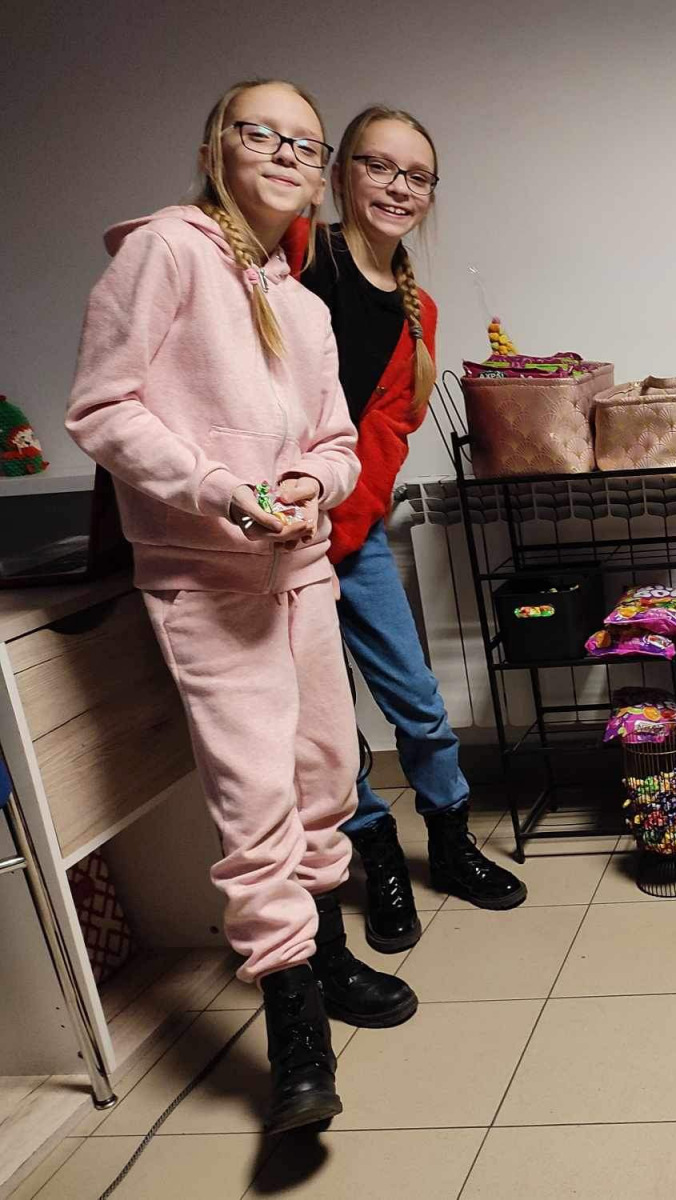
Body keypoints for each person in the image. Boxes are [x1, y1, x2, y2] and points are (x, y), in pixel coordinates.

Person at [65, 79, 418, 1134]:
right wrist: (221, 490)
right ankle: (295, 1032)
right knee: (254, 799)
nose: (285, 154)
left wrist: (311, 482)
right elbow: (101, 407)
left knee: (326, 775)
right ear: (217, 145)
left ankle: (331, 957)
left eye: (305, 144)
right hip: (204, 579)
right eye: (261, 133)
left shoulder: (302, 304)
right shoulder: (163, 253)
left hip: (299, 572)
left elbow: (336, 441)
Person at [290, 104, 526, 955]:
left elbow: (387, 435)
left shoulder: (417, 307)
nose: (398, 186)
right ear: (340, 173)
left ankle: (451, 844)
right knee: (325, 726)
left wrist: (338, 533)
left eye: (417, 175)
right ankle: (376, 853)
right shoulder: (298, 256)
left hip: (349, 538)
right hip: (272, 544)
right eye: (379, 166)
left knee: (419, 704)